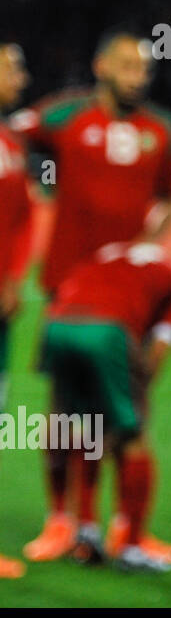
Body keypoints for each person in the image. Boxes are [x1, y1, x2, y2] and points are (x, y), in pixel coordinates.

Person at [14, 30, 171, 563]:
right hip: (69, 291)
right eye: (126, 65)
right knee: (65, 412)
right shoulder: (64, 117)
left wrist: (147, 238)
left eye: (143, 67)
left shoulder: (162, 129)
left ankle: (121, 526)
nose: (137, 75)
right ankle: (64, 520)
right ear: (101, 66)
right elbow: (13, 141)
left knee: (127, 409)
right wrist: (34, 187)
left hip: (126, 298)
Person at [38, 242, 171, 571]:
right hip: (107, 331)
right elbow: (159, 347)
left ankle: (82, 529)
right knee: (132, 433)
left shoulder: (129, 253)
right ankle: (131, 546)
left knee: (73, 425)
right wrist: (136, 396)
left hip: (57, 323)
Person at [0, 44, 35, 579]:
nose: (20, 78)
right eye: (9, 66)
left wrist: (12, 280)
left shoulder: (10, 141)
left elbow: (23, 219)